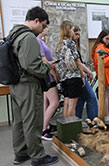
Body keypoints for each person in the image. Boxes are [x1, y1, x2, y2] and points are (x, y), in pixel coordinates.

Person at [9, 6, 59, 165]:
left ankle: (21, 153)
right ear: (36, 21)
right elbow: (33, 66)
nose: (43, 29)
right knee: (32, 121)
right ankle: (38, 156)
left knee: (19, 121)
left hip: (16, 84)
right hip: (28, 85)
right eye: (43, 25)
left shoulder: (14, 33)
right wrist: (48, 67)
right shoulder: (28, 37)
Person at [56, 20, 89, 118]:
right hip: (74, 77)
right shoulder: (71, 43)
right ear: (68, 30)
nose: (72, 31)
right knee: (72, 106)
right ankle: (71, 126)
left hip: (64, 78)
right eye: (71, 29)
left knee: (66, 103)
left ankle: (66, 126)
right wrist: (82, 75)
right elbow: (77, 61)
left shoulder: (59, 45)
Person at [37, 27, 60, 141]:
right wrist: (54, 75)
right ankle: (44, 130)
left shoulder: (41, 41)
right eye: (45, 27)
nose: (47, 29)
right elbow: (44, 61)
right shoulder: (38, 41)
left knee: (46, 103)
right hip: (48, 76)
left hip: (47, 75)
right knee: (55, 102)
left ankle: (46, 126)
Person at [92, 30, 109, 121]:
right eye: (106, 38)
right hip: (105, 74)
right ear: (101, 38)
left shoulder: (106, 48)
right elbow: (100, 62)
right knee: (106, 95)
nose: (108, 40)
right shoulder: (99, 48)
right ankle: (106, 114)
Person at [73, 25, 98, 120]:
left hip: (79, 75)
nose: (78, 37)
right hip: (79, 76)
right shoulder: (71, 45)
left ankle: (76, 121)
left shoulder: (73, 46)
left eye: (79, 35)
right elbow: (78, 63)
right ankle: (93, 121)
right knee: (91, 98)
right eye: (76, 34)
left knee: (80, 99)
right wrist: (88, 72)